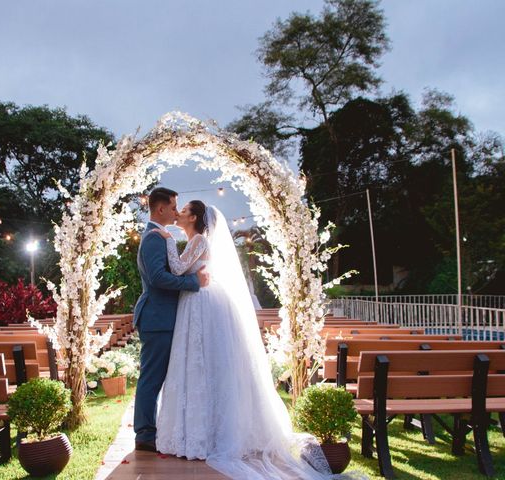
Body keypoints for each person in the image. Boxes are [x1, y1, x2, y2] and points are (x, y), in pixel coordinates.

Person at [153, 200, 361, 480]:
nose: (178, 213)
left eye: (184, 210)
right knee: (197, 364)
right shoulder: (197, 239)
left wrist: (166, 239)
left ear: (195, 218)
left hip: (200, 304)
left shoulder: (200, 239)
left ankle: (204, 435)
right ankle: (197, 431)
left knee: (201, 362)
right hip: (195, 303)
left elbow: (177, 269)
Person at [133, 188, 210, 452]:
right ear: (161, 209)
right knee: (151, 378)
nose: (177, 212)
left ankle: (154, 430)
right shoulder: (155, 237)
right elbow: (158, 278)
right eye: (174, 207)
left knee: (161, 376)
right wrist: (193, 282)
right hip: (157, 317)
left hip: (164, 316)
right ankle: (144, 434)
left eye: (180, 208)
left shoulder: (160, 236)